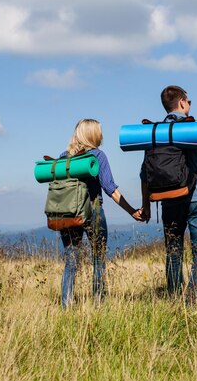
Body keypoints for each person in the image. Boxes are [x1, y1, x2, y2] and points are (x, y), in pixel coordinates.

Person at [141, 85, 197, 305]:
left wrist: (146, 205)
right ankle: (193, 298)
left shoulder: (154, 134)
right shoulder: (195, 129)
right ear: (182, 103)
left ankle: (174, 299)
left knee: (174, 251)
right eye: (189, 101)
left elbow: (145, 175)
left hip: (168, 200)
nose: (189, 105)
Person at [59, 119, 144, 308]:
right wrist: (132, 211)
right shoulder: (97, 155)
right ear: (93, 134)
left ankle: (66, 305)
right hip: (92, 210)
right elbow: (110, 188)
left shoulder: (64, 156)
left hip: (68, 214)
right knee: (98, 258)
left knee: (71, 260)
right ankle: (99, 304)